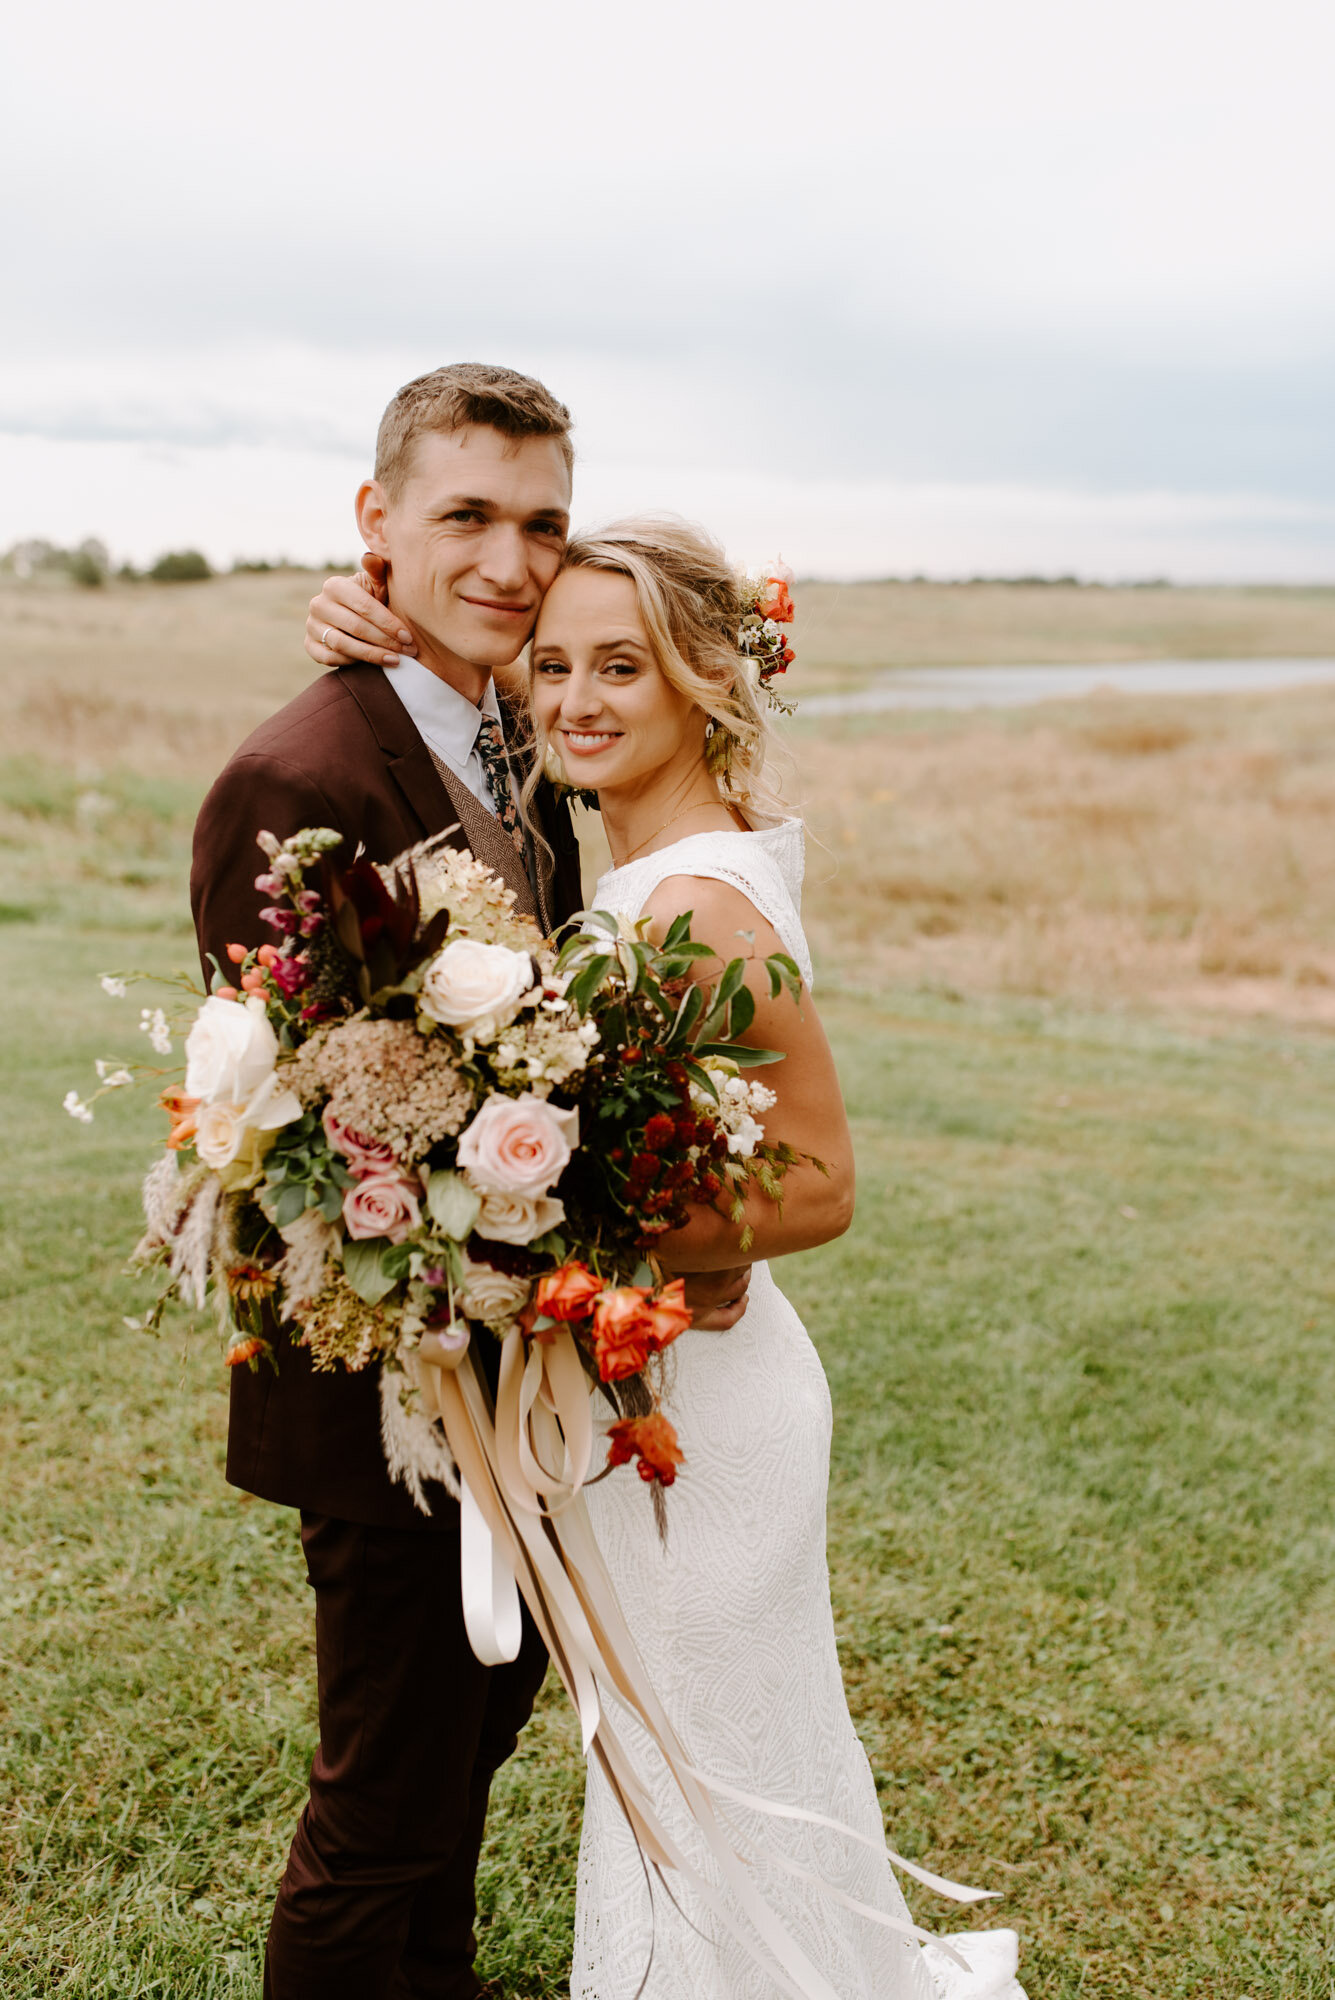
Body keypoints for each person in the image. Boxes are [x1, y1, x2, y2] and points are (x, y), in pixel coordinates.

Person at [314, 512, 1029, 1996]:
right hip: (648, 1399)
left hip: (707, 1420)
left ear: (703, 682)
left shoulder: (696, 904)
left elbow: (822, 1184)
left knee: (705, 1758)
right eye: (554, 665)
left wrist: (532, 1214)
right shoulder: (626, 871)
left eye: (621, 667)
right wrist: (358, 619)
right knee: (690, 1762)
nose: (574, 698)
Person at [191, 364, 752, 2000]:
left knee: (464, 1752)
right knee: (379, 1807)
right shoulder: (298, 777)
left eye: (541, 523)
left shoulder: (510, 724)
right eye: (466, 519)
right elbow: (305, 1142)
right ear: (377, 525)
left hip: (522, 1368)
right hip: (393, 1394)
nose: (511, 563)